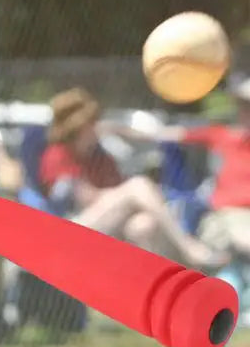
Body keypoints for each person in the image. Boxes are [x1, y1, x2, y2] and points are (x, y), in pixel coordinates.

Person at [40, 87, 226, 268]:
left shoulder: (100, 157)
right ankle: (187, 245)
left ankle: (149, 291)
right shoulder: (57, 155)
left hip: (105, 223)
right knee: (139, 186)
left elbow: (117, 190)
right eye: (91, 124)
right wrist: (128, 194)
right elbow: (87, 198)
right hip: (69, 232)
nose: (96, 129)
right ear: (77, 128)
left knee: (144, 225)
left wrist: (130, 196)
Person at [101, 74, 250, 262]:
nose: (247, 112)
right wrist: (116, 129)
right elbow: (162, 135)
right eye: (245, 106)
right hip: (228, 216)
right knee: (141, 226)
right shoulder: (222, 135)